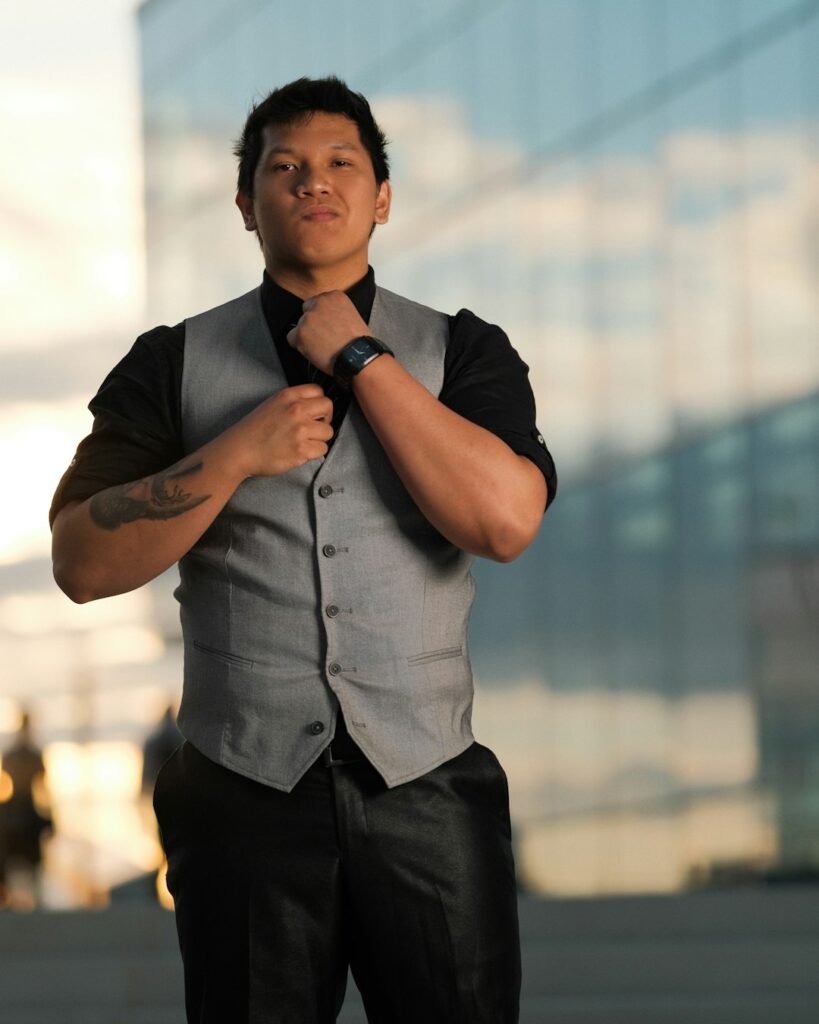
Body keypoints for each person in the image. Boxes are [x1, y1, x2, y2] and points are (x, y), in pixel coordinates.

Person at [50, 76, 556, 1024]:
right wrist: (235, 453)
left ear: (382, 197)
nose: (312, 181)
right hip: (240, 795)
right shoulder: (169, 361)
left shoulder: (462, 349)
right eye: (282, 167)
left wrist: (362, 357)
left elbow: (504, 525)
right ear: (246, 204)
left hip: (428, 785)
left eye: (339, 164)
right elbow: (81, 561)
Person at [0, 711, 52, 908]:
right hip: (25, 810)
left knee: (19, 863)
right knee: (24, 863)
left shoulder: (13, 755)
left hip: (17, 811)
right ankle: (22, 902)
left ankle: (18, 902)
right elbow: (43, 788)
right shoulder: (31, 755)